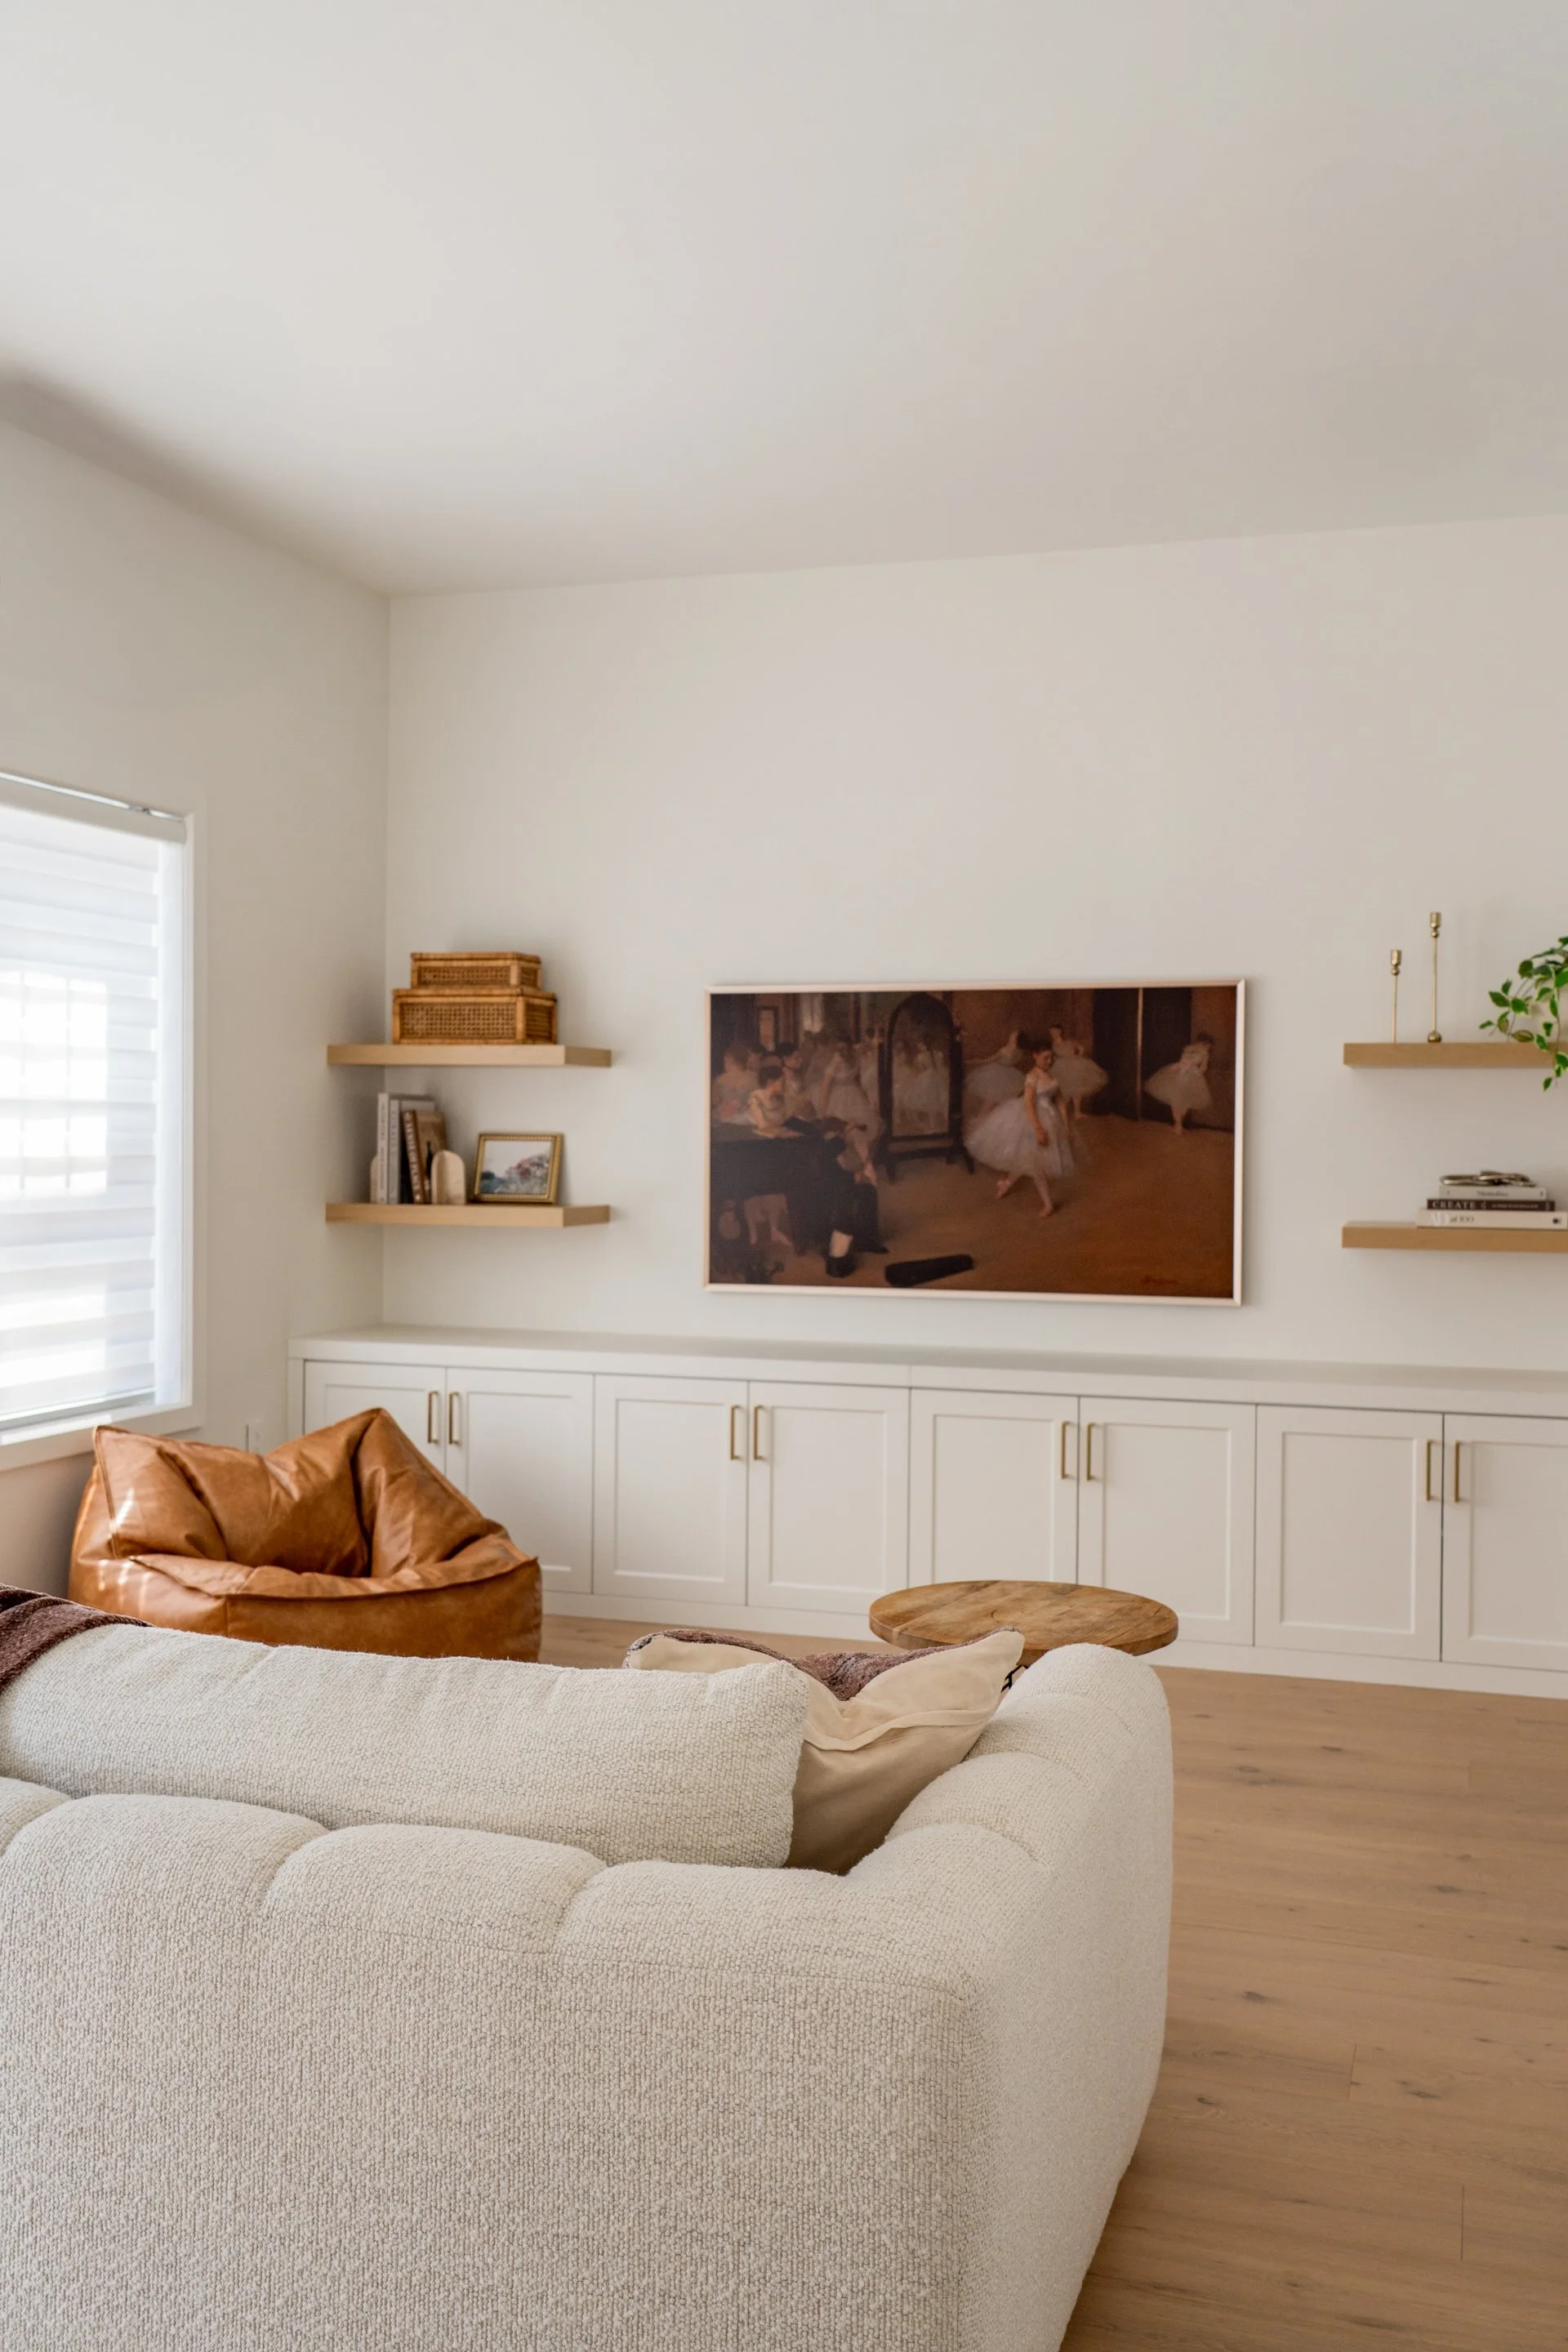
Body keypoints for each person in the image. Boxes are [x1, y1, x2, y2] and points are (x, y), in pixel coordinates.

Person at [964, 1038, 1073, 1218]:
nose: (1050, 1061)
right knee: (1037, 1164)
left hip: (1051, 1118)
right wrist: (1038, 1128)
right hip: (1032, 1120)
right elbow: (1029, 1105)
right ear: (1035, 1056)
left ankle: (1006, 1183)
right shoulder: (1032, 1077)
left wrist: (1066, 1125)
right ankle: (1048, 1204)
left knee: (1029, 1158)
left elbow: (1060, 1101)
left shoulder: (1052, 1076)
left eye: (1051, 1058)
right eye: (1046, 1057)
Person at [1145, 1036, 1214, 1132]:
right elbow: (1203, 1069)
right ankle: (1178, 1125)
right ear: (1205, 1043)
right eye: (1208, 1045)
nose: (1208, 1047)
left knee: (1180, 1100)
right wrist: (1196, 1070)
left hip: (1181, 1071)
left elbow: (1197, 1066)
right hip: (1185, 1073)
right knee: (1182, 1100)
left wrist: (1193, 1069)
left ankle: (1178, 1124)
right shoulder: (1202, 1052)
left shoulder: (1190, 1048)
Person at [1047, 1026, 1108, 1122]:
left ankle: (1077, 1113)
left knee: (1077, 1089)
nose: (1053, 1033)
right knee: (1065, 1092)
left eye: (1054, 1031)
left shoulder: (1069, 1042)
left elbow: (1081, 1048)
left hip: (1075, 1066)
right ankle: (1061, 1114)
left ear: (1059, 1032)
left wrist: (1078, 1056)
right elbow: (1053, 1056)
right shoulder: (1053, 1045)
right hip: (1063, 1068)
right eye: (1051, 1032)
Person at [964, 1028, 1026, 1110]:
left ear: (1015, 1039)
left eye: (1013, 1035)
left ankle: (983, 1115)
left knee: (991, 1096)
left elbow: (988, 1060)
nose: (1011, 1035)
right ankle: (986, 1114)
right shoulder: (1020, 1051)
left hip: (998, 1071)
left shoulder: (1004, 1050)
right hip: (1010, 1072)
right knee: (997, 1097)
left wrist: (975, 1061)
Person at [710, 1042, 755, 1127]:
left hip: (724, 1123)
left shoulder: (721, 1080)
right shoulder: (754, 1079)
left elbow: (714, 1102)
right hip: (748, 1123)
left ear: (729, 1059)